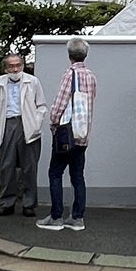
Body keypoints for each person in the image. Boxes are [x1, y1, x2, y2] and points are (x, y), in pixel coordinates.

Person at [39, 37, 97, 232]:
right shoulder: (91, 76)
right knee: (77, 175)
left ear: (69, 55)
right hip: (83, 133)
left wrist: (53, 122)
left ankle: (56, 217)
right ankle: (77, 218)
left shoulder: (69, 74)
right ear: (85, 54)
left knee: (55, 172)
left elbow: (60, 102)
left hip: (66, 133)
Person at [0, 52, 46, 216]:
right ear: (5, 68)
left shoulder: (33, 81)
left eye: (18, 65)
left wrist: (36, 123)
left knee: (29, 167)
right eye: (11, 66)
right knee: (6, 165)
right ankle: (7, 202)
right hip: (7, 123)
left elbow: (42, 105)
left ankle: (29, 204)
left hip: (28, 125)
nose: (15, 69)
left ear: (23, 65)